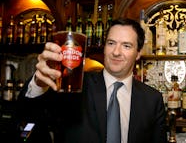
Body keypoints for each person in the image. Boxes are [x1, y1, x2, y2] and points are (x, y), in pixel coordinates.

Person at [18, 18, 167, 143]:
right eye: (111, 43)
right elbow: (28, 123)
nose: (116, 52)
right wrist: (38, 83)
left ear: (138, 53)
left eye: (126, 46)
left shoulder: (152, 99)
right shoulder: (75, 86)